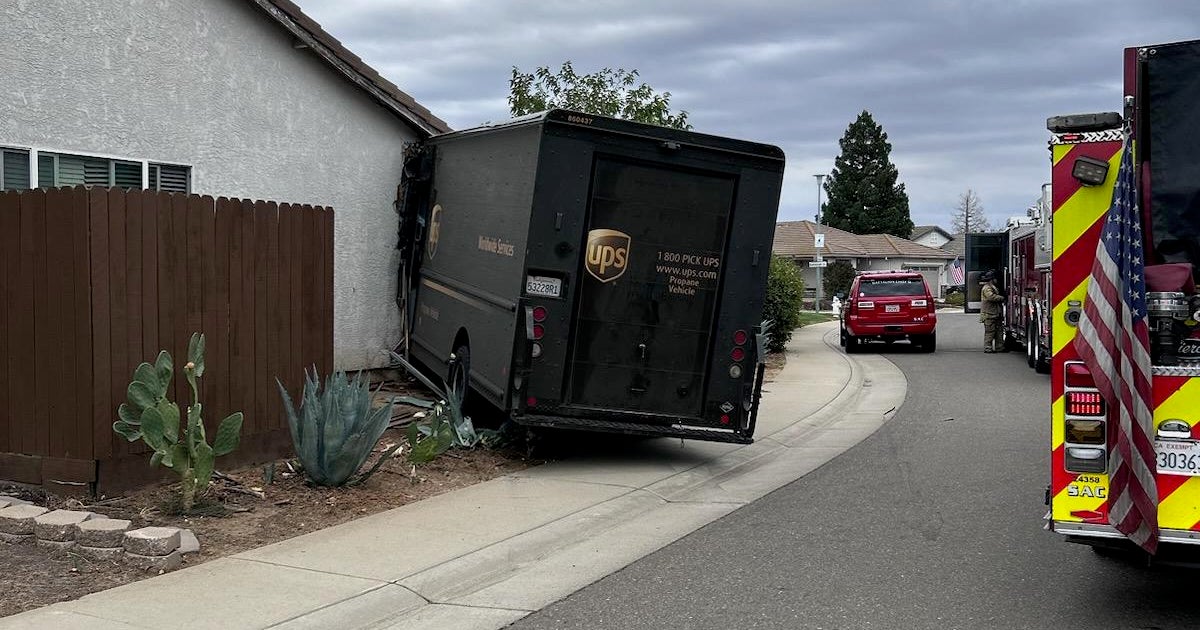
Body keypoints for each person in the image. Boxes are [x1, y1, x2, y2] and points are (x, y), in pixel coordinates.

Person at [979, 270, 1006, 353]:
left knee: (999, 331)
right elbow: (991, 297)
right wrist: (1002, 298)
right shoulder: (987, 288)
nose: (996, 280)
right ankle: (988, 348)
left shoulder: (992, 286)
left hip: (995, 313)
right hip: (989, 314)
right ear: (992, 279)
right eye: (995, 279)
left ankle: (999, 347)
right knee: (990, 332)